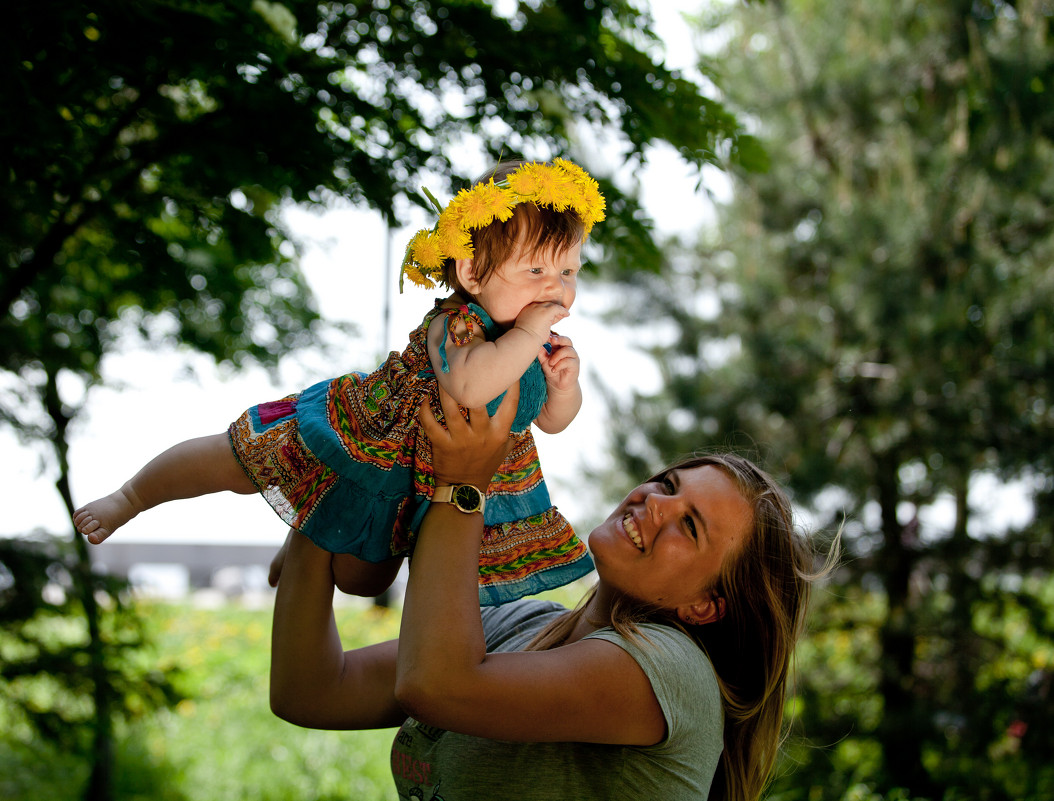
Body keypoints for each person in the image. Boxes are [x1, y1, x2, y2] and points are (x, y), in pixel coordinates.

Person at [74, 158, 605, 605]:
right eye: (536, 272)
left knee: (363, 580)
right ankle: (131, 496)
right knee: (236, 457)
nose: (555, 290)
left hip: (410, 481)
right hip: (366, 432)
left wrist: (564, 388)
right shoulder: (459, 325)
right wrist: (531, 332)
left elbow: (549, 423)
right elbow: (470, 387)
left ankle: (311, 525)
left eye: (568, 273)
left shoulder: (534, 343)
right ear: (470, 275)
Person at [269, 385, 840, 801]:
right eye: (667, 485)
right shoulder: (516, 625)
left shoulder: (670, 673)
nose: (654, 503)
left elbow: (434, 686)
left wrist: (463, 484)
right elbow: (311, 691)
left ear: (706, 606)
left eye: (690, 527)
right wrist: (331, 505)